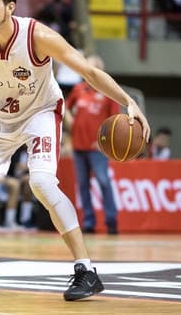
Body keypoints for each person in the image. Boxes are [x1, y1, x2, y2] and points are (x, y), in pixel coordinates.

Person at [0, 0, 150, 301]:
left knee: (42, 183)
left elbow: (88, 72)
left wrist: (128, 102)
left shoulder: (37, 36)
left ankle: (86, 270)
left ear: (10, 7)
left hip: (40, 113)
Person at [65, 55, 121, 235]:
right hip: (78, 146)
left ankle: (111, 220)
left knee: (103, 181)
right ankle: (89, 222)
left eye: (91, 67)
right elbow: (65, 107)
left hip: (97, 148)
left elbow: (114, 120)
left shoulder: (108, 92)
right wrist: (71, 121)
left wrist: (103, 140)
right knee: (82, 185)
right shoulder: (78, 89)